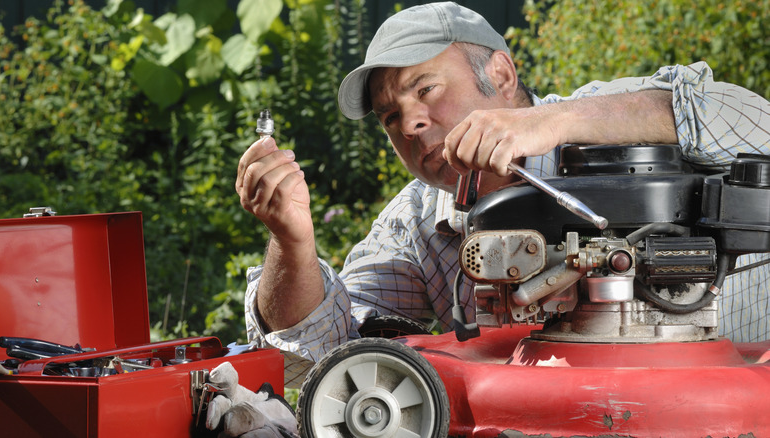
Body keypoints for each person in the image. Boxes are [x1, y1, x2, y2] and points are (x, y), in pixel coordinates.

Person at [235, 2, 770, 387]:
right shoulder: (415, 223)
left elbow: (753, 123)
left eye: (426, 90)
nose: (412, 123)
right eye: (390, 116)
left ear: (502, 73)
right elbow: (323, 361)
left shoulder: (606, 117)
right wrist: (292, 242)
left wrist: (553, 122)